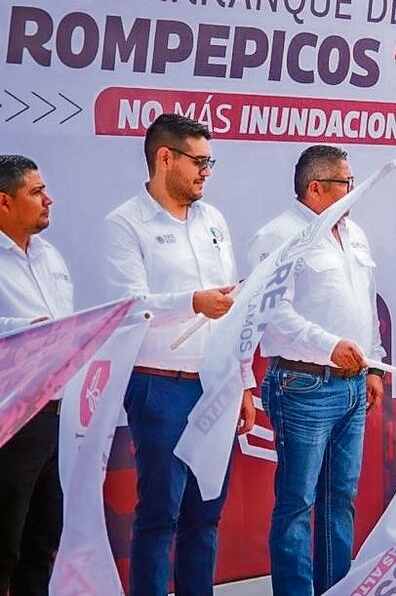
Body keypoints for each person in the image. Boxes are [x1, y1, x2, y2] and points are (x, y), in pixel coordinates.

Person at [102, 114, 255, 595]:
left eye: (211, 161)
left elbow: (232, 309)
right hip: (160, 385)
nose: (207, 171)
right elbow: (129, 308)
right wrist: (191, 302)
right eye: (199, 161)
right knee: (159, 516)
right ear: (164, 158)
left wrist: (243, 382)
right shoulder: (124, 224)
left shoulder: (214, 221)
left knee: (205, 513)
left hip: (218, 385)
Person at [246, 145, 386, 595]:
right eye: (348, 182)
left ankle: (336, 589)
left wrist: (375, 364)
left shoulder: (356, 233)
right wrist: (330, 345)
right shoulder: (278, 236)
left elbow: (366, 304)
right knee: (296, 503)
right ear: (317, 187)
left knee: (339, 500)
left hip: (352, 384)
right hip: (303, 383)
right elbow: (273, 314)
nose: (354, 190)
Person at [0, 155, 72, 596]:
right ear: (4, 202)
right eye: (36, 192)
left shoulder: (49, 255)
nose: (49, 200)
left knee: (43, 538)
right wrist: (26, 332)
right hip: (11, 417)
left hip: (55, 415)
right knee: (4, 544)